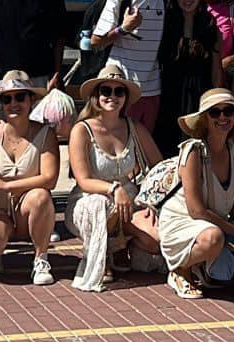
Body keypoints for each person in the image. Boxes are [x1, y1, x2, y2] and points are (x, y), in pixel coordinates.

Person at [154, 89, 234, 300]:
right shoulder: (193, 150)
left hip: (211, 222)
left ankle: (199, 264)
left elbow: (230, 199)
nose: (223, 117)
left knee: (227, 272)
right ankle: (180, 270)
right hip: (183, 221)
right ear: (204, 119)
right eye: (215, 112)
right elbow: (196, 210)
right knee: (213, 238)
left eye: (228, 112)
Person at [65, 62, 164, 292]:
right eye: (105, 91)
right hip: (89, 200)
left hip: (129, 202)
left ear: (126, 97)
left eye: (119, 91)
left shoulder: (134, 127)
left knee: (154, 240)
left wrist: (151, 199)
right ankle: (102, 259)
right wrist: (113, 189)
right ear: (96, 95)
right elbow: (84, 180)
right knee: (99, 204)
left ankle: (119, 241)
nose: (112, 96)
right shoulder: (82, 130)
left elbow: (160, 167)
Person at [0, 72, 61, 284]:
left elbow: (49, 178)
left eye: (20, 97)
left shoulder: (45, 133)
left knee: (41, 197)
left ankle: (41, 258)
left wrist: (5, 185)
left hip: (26, 210)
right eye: (7, 99)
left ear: (31, 99)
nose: (13, 103)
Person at [91, 0, 169, 131]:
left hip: (152, 89)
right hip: (120, 89)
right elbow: (95, 41)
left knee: (144, 147)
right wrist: (124, 28)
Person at [154, 0, 222, 156]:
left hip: (200, 93)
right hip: (171, 93)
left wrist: (218, 99)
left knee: (196, 146)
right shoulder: (166, 23)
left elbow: (216, 69)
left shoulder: (209, 24)